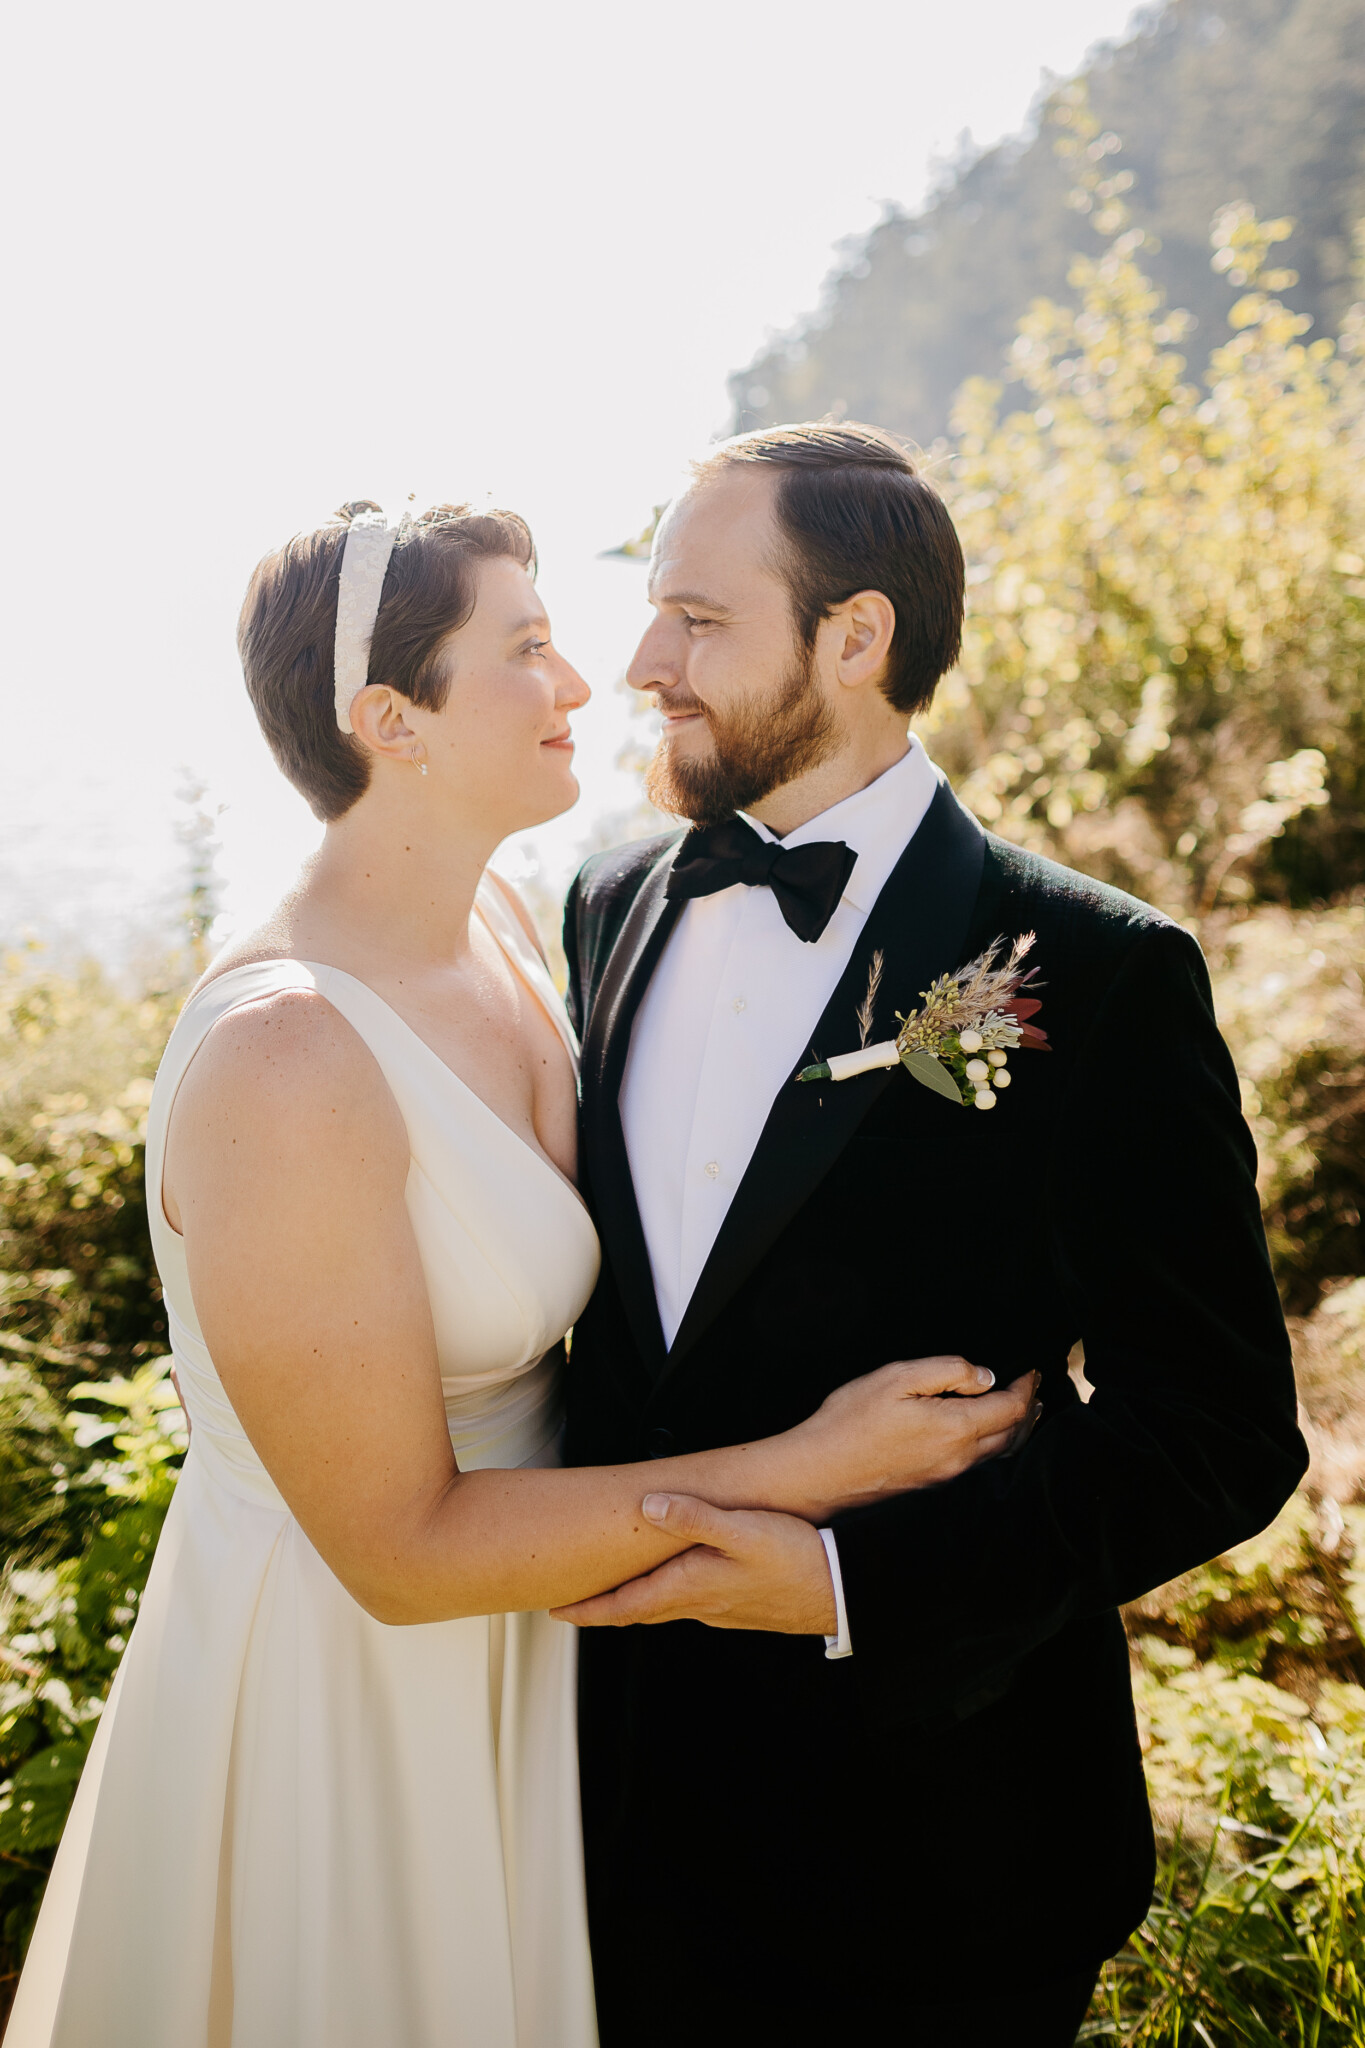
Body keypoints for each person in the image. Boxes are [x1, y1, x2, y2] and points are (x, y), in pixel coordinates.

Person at [6, 499, 1033, 2048]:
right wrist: (800, 1469)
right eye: (528, 648)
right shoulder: (287, 1054)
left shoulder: (502, 922)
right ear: (388, 720)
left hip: (542, 1664)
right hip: (353, 1698)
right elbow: (401, 1550)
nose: (585, 683)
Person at [556, 423, 1309, 2048]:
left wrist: (846, 1580)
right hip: (604, 1824)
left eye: (695, 618)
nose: (639, 663)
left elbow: (1219, 1432)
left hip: (941, 1868)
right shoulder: (609, 909)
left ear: (853, 637)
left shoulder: (1099, 979)